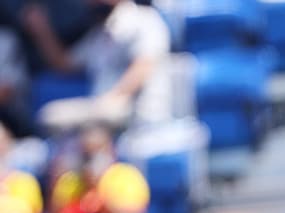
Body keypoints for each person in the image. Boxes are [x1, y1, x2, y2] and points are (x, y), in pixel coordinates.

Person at [22, 0, 174, 133]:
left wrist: (113, 98)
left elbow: (143, 67)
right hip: (104, 120)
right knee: (51, 115)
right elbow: (64, 65)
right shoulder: (99, 35)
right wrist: (42, 31)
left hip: (140, 117)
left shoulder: (145, 20)